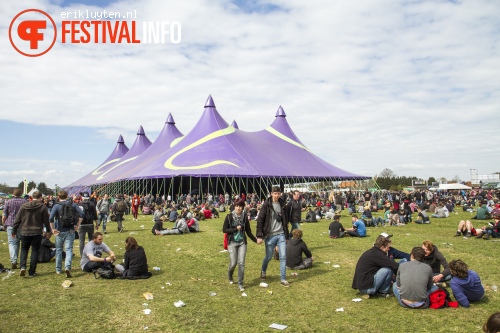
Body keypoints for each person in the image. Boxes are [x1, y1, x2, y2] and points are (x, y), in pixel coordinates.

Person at [256, 185, 290, 287]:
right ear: (271, 194)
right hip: (270, 235)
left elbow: (285, 219)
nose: (277, 195)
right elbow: (260, 220)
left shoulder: (282, 204)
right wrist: (259, 236)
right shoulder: (266, 204)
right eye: (275, 193)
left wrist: (287, 235)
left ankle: (283, 279)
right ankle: (263, 270)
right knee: (269, 256)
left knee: (283, 256)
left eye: (278, 194)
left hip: (281, 234)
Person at [12, 191, 51, 277]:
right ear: (40, 197)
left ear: (31, 197)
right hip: (37, 232)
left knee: (24, 249)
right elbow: (46, 221)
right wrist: (48, 231)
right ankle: (32, 271)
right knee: (35, 251)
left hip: (25, 231)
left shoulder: (24, 206)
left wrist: (14, 231)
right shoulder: (42, 207)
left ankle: (22, 267)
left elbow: (18, 220)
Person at [222, 199, 257, 291]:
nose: (238, 208)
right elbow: (224, 229)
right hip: (232, 243)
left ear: (242, 208)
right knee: (233, 263)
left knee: (241, 263)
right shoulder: (229, 216)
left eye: (240, 206)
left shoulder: (245, 217)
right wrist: (235, 229)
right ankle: (230, 274)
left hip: (242, 243)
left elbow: (248, 231)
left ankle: (240, 283)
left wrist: (255, 240)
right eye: (237, 206)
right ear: (234, 206)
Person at [49, 190, 84, 278]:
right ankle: (67, 266)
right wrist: (78, 225)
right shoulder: (73, 204)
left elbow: (51, 218)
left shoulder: (56, 206)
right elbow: (82, 214)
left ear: (58, 197)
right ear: (67, 196)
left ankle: (58, 269)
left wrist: (53, 229)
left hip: (59, 230)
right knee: (68, 249)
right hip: (70, 230)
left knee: (59, 249)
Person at [1, 188, 26, 269]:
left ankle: (13, 260)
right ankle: (16, 259)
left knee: (12, 243)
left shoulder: (8, 202)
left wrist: (4, 224)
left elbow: (4, 215)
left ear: (13, 194)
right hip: (22, 225)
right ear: (21, 194)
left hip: (11, 224)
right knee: (18, 242)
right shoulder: (25, 202)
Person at [77, 192, 98, 256]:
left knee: (81, 241)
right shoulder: (92, 204)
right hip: (90, 224)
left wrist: (77, 224)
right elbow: (95, 215)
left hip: (81, 224)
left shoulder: (79, 204)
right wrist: (97, 224)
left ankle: (82, 255)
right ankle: (91, 253)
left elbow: (77, 215)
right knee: (91, 240)